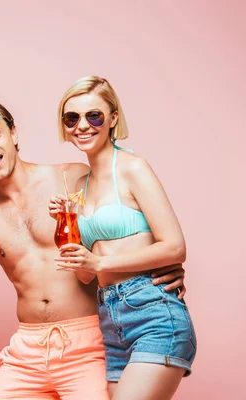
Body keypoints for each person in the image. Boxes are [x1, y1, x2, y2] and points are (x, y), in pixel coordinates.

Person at [0, 96, 186, 399]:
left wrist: (158, 265)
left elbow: (123, 214)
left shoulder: (70, 178)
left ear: (14, 135)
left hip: (87, 344)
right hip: (26, 352)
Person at [50, 76, 196, 400]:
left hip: (152, 312)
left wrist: (100, 260)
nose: (82, 126)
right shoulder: (80, 188)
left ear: (113, 118)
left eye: (94, 116)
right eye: (71, 118)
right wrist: (64, 225)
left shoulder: (133, 169)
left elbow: (174, 247)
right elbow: (86, 274)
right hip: (112, 321)